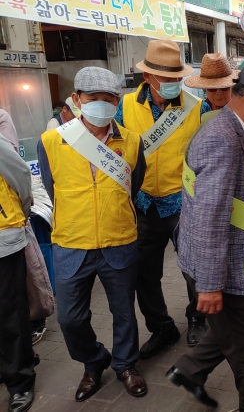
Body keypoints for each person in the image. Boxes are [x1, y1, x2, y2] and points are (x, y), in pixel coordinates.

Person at [167, 62, 244, 412]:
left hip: (238, 249)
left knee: (237, 324)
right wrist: (208, 285)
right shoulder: (222, 139)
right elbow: (209, 216)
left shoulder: (238, 129)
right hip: (217, 263)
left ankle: (188, 371)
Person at [38, 67, 148, 401]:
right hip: (72, 243)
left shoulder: (131, 140)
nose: (101, 104)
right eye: (93, 98)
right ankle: (93, 361)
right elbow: (50, 186)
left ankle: (126, 364)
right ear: (76, 100)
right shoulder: (52, 140)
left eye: (108, 99)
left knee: (125, 312)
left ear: (118, 101)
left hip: (119, 239)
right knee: (70, 318)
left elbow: (134, 184)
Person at [115, 39, 205, 353]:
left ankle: (198, 317)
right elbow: (114, 149)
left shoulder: (195, 105)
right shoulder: (124, 107)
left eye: (176, 78)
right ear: (148, 78)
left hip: (183, 202)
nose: (172, 84)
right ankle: (162, 328)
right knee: (144, 274)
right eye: (166, 79)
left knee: (193, 269)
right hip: (143, 204)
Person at [0, 133, 36, 412]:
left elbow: (21, 176)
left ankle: (20, 380)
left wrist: (18, 214)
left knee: (11, 312)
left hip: (2, 240)